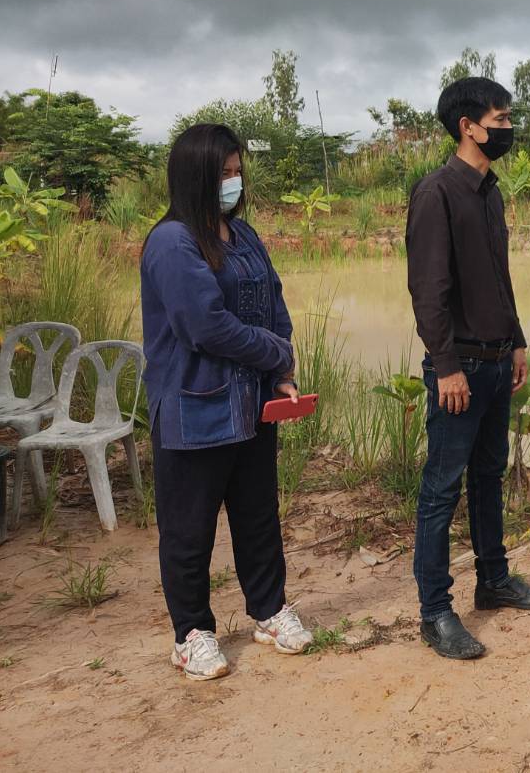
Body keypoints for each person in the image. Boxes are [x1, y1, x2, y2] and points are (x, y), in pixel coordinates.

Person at [141, 123, 311, 681]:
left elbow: (273, 304)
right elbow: (205, 327)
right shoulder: (171, 243)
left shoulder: (247, 237)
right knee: (189, 530)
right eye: (223, 174)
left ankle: (268, 609)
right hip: (195, 409)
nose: (233, 182)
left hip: (253, 408)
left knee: (258, 517)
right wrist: (273, 350)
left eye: (238, 172)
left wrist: (281, 368)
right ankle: (192, 634)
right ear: (195, 178)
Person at [406, 76, 530, 660]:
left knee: (489, 476)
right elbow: (428, 290)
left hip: (499, 362)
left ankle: (494, 582)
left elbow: (499, 276)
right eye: (499, 119)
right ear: (467, 126)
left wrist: (518, 341)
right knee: (441, 490)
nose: (506, 128)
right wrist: (445, 367)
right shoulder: (436, 194)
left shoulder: (490, 193)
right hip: (461, 368)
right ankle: (435, 611)